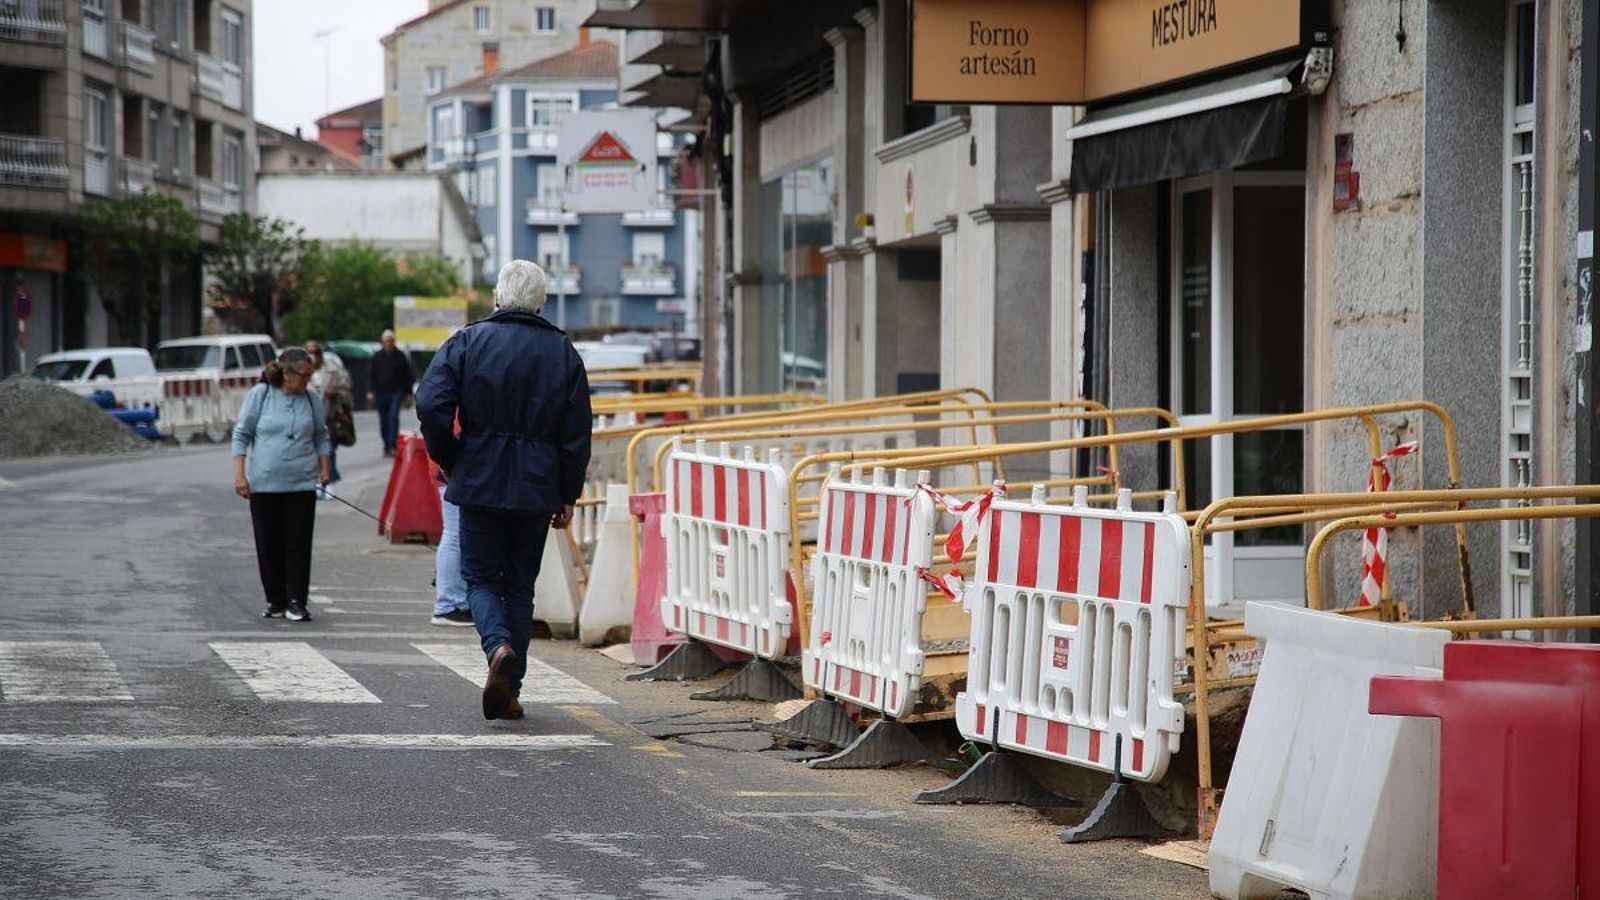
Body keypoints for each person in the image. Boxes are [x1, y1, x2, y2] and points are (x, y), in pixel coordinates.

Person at [417, 260, 591, 720]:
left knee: (479, 578)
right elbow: (576, 432)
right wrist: (568, 492)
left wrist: (452, 458)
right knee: (519, 587)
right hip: (537, 485)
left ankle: (497, 648)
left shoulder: (468, 341)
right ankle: (511, 689)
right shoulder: (562, 351)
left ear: (497, 296)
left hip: (479, 477)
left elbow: (430, 402)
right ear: (541, 302)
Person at [233, 347, 332, 622]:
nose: (307, 381)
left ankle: (297, 600)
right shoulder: (261, 395)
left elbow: (321, 437)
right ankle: (275, 600)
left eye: (310, 375)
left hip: (301, 483)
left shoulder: (310, 399)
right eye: (303, 375)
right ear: (286, 373)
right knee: (268, 544)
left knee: (298, 544)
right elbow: (241, 435)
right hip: (264, 484)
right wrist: (240, 475)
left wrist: (325, 469)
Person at [305, 340, 354, 494]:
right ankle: (317, 481)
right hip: (308, 418)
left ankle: (329, 480)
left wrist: (336, 393)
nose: (313, 356)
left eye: (315, 353)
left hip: (330, 416)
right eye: (309, 353)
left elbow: (347, 387)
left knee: (328, 449)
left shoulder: (333, 369)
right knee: (311, 451)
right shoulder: (302, 372)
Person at [369, 329, 415, 458]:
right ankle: (386, 445)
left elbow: (408, 375)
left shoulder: (400, 356)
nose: (389, 343)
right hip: (381, 392)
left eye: (391, 341)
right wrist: (370, 391)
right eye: (386, 341)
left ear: (394, 342)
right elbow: (372, 374)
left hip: (396, 391)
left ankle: (393, 446)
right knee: (383, 420)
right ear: (383, 342)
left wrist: (408, 393)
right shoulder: (377, 356)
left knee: (393, 417)